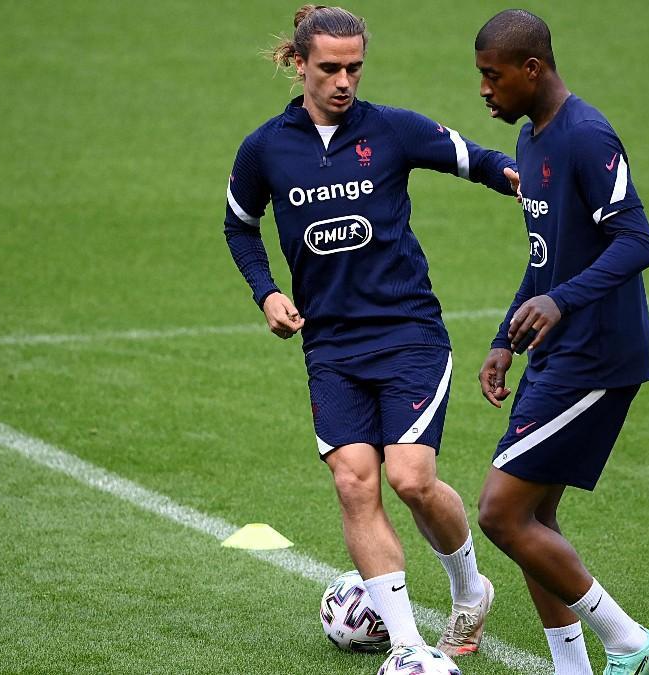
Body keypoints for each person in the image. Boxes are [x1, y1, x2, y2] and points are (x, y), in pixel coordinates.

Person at [223, 4, 521, 658]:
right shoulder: (265, 148)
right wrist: (267, 291)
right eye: (329, 67)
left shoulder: (391, 131)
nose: (343, 81)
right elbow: (239, 225)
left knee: (410, 477)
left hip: (408, 332)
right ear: (299, 64)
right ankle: (408, 646)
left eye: (354, 67)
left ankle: (470, 590)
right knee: (354, 480)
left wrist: (536, 185)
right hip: (330, 347)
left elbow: (479, 160)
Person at [472, 9, 649, 675]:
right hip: (559, 350)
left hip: (598, 354)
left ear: (532, 69)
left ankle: (628, 642)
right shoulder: (530, 142)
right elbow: (544, 257)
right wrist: (507, 336)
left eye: (492, 76)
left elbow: (638, 240)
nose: (484, 90)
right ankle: (572, 667)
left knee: (501, 513)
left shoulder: (587, 135)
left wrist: (562, 301)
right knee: (531, 522)